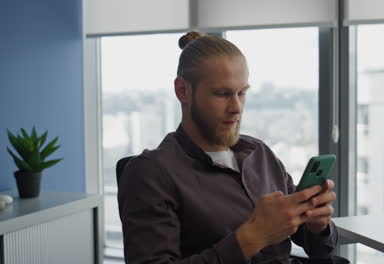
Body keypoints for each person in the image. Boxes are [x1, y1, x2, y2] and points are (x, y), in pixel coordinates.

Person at [118, 31, 338, 264]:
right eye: (222, 94)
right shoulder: (151, 173)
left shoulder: (260, 154)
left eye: (241, 93)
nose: (236, 107)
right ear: (183, 91)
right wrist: (251, 238)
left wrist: (318, 226)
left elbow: (321, 250)